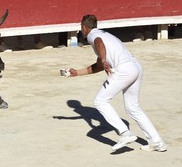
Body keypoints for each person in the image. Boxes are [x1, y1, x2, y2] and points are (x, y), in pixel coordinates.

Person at [66, 14, 168, 152]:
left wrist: (103, 59)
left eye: (81, 27)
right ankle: (157, 142)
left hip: (123, 70)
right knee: (133, 108)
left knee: (100, 101)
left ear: (84, 27)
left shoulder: (93, 36)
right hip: (135, 67)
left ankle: (125, 133)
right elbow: (99, 65)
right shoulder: (106, 35)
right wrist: (78, 72)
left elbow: (98, 43)